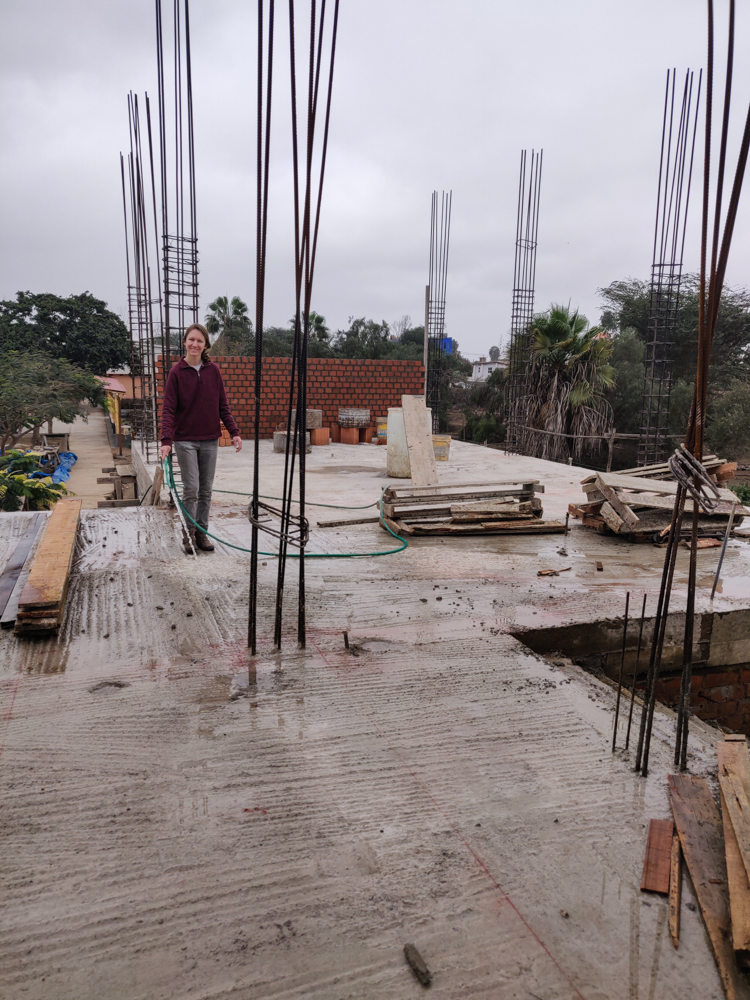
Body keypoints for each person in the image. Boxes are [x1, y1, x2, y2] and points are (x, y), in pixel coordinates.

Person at [160, 323, 242, 554]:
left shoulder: (213, 371)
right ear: (185, 342)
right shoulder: (176, 373)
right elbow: (168, 409)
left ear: (205, 345)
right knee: (192, 489)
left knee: (206, 489)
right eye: (191, 340)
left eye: (199, 341)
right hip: (185, 439)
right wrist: (166, 440)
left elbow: (222, 405)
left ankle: (201, 533)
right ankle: (188, 534)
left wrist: (234, 432)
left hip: (209, 439)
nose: (195, 344)